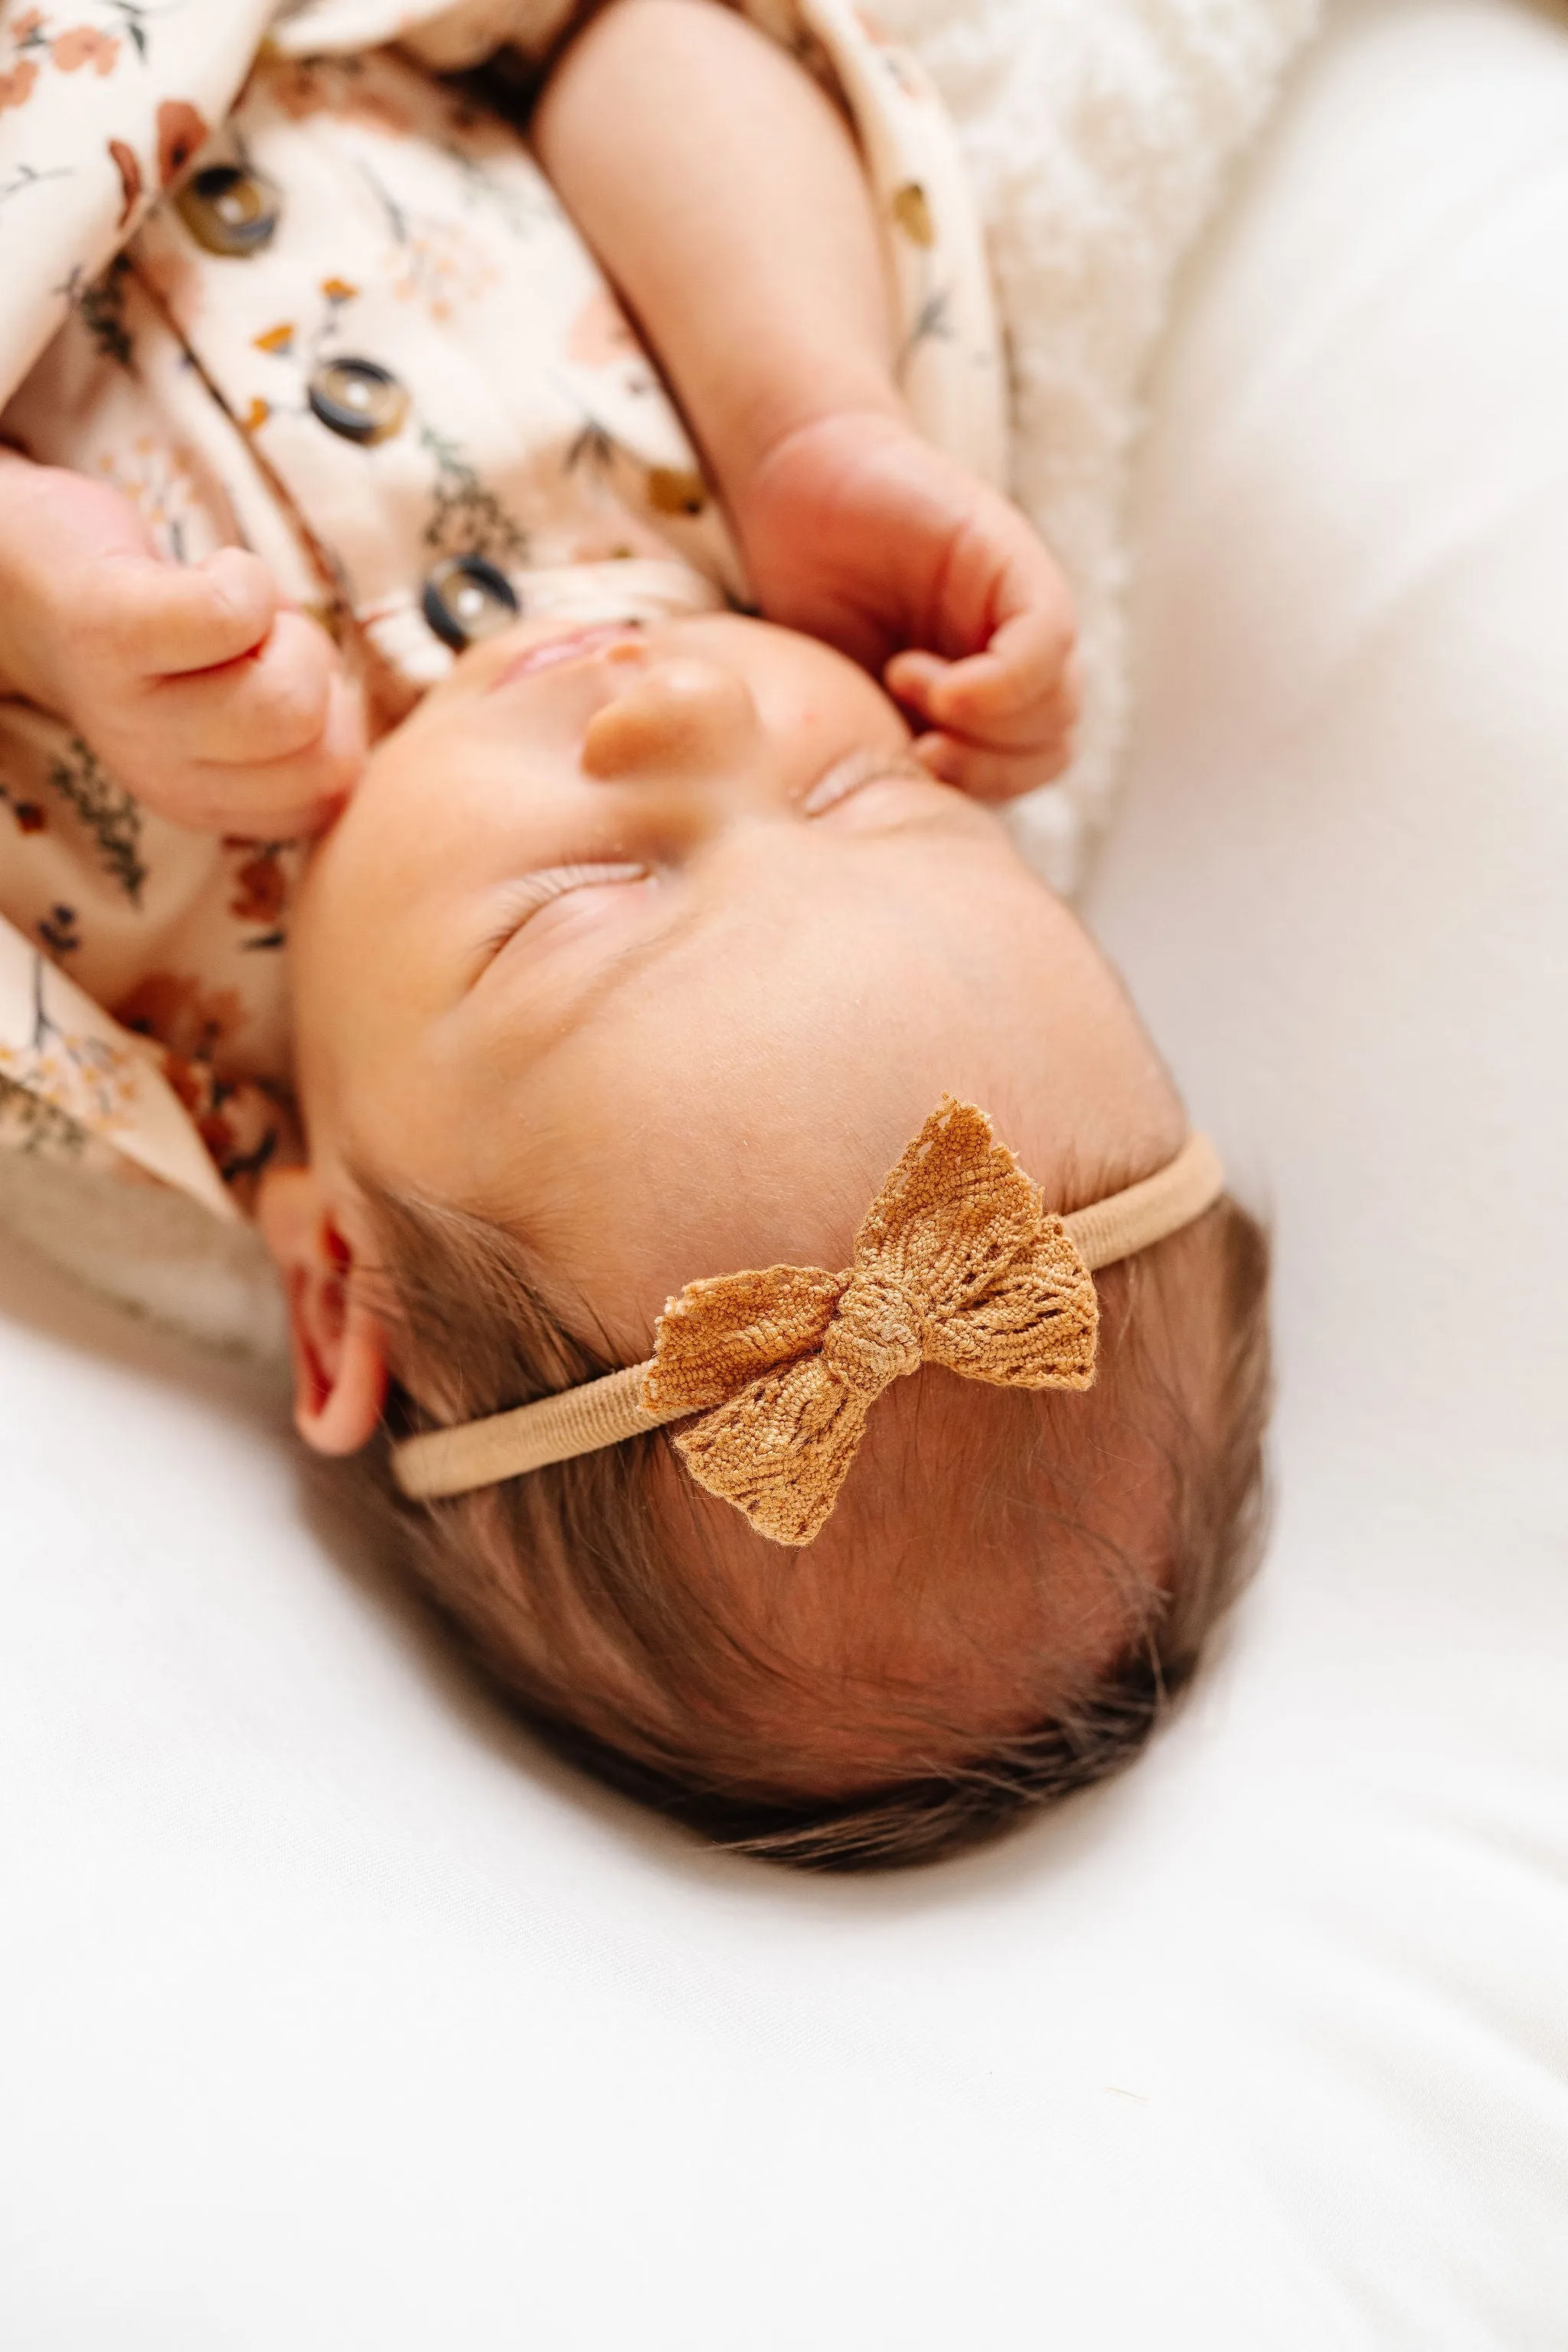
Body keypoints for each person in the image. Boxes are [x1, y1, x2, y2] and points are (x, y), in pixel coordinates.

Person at [0, 0, 1269, 1867]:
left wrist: (37, 595)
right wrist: (802, 411)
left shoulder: (91, 987)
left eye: (583, 901)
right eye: (868, 799)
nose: (691, 714)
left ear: (338, 1282)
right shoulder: (808, 561)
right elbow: (625, 40)